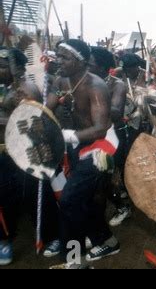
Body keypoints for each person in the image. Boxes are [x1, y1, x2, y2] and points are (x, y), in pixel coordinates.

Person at [46, 39, 120, 267]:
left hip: (102, 147)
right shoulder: (61, 80)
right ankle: (105, 240)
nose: (59, 61)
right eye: (58, 56)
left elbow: (100, 129)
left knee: (69, 201)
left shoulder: (95, 86)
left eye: (65, 57)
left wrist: (68, 136)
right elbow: (47, 107)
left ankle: (73, 260)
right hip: (79, 143)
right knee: (81, 200)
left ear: (81, 61)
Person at [0, 46, 60, 265]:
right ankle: (4, 240)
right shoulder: (5, 87)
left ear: (17, 69)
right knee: (5, 197)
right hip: (4, 153)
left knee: (35, 195)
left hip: (26, 152)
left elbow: (34, 122)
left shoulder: (27, 89)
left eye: (4, 65)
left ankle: (52, 236)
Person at [89, 47, 131, 227]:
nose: (86, 67)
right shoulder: (86, 83)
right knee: (98, 179)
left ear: (103, 67)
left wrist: (94, 101)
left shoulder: (117, 85)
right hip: (94, 137)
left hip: (113, 137)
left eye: (90, 64)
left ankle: (122, 207)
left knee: (103, 179)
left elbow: (116, 112)